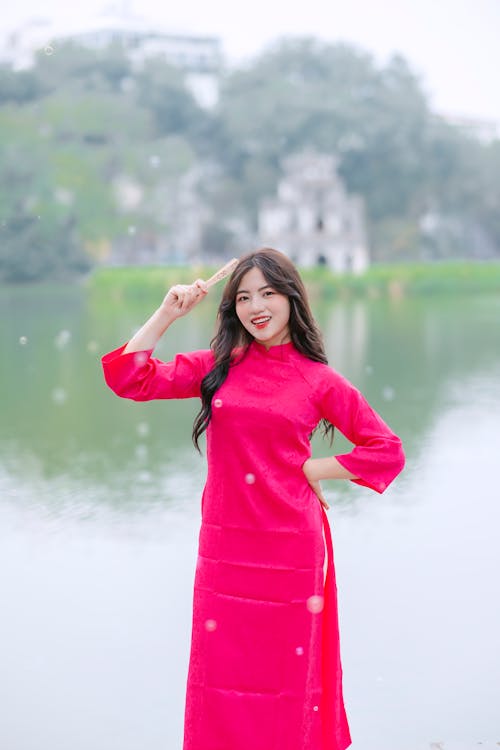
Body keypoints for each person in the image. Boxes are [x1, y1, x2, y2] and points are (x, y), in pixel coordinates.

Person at [101, 247, 405, 750]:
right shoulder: (220, 368)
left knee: (286, 685)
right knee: (218, 682)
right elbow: (130, 378)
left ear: (291, 298)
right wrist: (167, 314)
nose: (255, 306)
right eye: (243, 297)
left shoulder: (318, 380)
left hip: (289, 554)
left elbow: (386, 450)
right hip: (225, 553)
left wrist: (315, 468)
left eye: (267, 293)